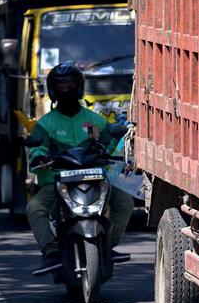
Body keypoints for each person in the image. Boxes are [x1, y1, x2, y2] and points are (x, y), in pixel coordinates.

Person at [26, 62, 135, 276]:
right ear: (52, 90)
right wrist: (39, 156)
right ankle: (51, 253)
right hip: (58, 182)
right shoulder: (46, 123)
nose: (65, 91)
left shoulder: (94, 120)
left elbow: (107, 142)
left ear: (78, 88)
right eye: (60, 86)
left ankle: (108, 245)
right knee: (34, 208)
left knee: (125, 202)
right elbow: (38, 146)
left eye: (69, 86)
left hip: (95, 179)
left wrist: (110, 149)